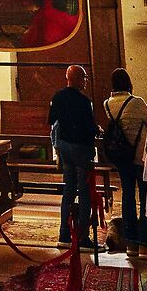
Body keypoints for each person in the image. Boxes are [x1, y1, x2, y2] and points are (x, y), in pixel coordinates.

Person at [47, 64, 100, 248]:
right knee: (84, 191)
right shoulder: (84, 102)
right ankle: (83, 236)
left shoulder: (58, 97)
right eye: (84, 77)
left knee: (68, 189)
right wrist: (97, 130)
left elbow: (52, 120)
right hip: (80, 148)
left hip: (64, 146)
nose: (86, 81)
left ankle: (64, 234)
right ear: (76, 79)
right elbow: (89, 126)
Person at [100, 68, 147, 245]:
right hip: (139, 154)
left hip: (121, 154)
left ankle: (130, 234)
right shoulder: (137, 102)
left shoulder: (107, 103)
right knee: (145, 194)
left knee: (128, 192)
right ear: (128, 82)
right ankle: (145, 235)